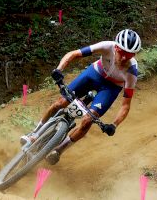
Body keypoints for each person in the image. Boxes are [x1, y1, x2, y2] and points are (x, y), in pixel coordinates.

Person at [21, 29, 142, 165]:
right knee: (60, 103)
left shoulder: (132, 72)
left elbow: (126, 105)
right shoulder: (107, 46)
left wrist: (114, 125)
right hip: (94, 74)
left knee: (88, 121)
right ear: (115, 47)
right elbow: (74, 54)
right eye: (122, 52)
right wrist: (59, 70)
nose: (125, 58)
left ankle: (59, 150)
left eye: (130, 55)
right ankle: (34, 134)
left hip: (110, 88)